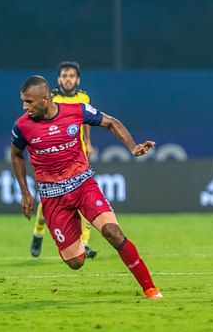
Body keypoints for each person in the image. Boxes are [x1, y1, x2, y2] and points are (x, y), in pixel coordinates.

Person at [11, 75, 162, 299]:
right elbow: (16, 154)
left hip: (83, 185)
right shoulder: (22, 125)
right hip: (53, 197)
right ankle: (74, 223)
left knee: (113, 233)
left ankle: (151, 289)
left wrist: (132, 147)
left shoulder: (76, 111)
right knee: (76, 262)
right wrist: (25, 191)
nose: (25, 107)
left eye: (29, 102)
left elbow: (112, 122)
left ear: (45, 98)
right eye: (23, 101)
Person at [31, 61, 97, 259]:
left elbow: (87, 122)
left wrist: (89, 143)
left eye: (71, 76)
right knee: (49, 202)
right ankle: (38, 232)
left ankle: (84, 244)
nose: (68, 79)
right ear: (59, 79)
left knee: (85, 199)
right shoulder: (52, 98)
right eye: (65, 76)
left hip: (78, 157)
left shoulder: (84, 97)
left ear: (77, 79)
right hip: (55, 159)